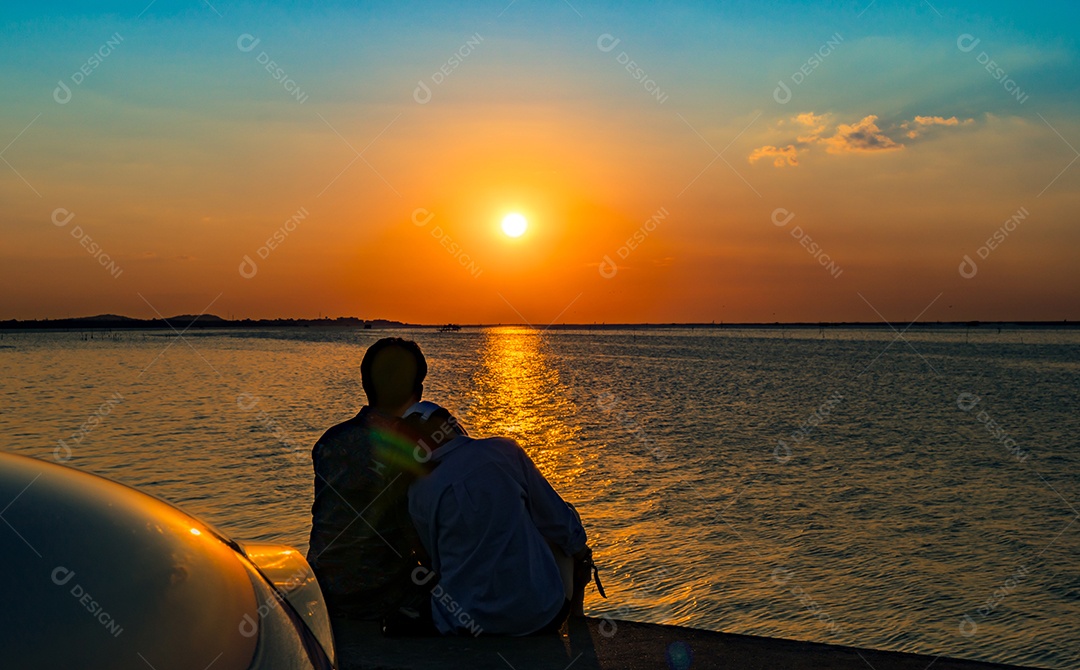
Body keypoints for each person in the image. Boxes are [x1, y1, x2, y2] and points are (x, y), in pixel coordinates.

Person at [404, 401, 593, 636]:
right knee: (565, 517)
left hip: (463, 622)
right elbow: (558, 521)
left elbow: (436, 560)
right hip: (539, 617)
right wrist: (583, 554)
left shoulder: (417, 492)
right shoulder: (503, 450)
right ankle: (577, 612)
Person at [306, 337, 432, 620]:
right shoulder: (415, 448)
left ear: (365, 386)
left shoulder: (330, 441)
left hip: (325, 589)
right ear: (419, 390)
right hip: (383, 594)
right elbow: (419, 533)